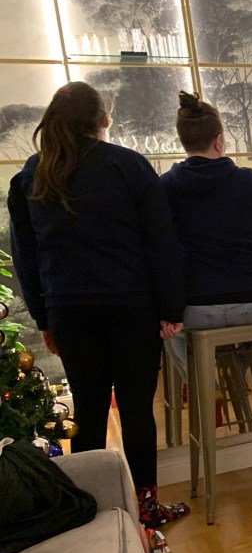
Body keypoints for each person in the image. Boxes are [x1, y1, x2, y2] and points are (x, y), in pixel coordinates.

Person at [6, 81, 188, 528]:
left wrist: (44, 318)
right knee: (136, 409)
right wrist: (171, 308)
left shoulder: (31, 176)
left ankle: (94, 512)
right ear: (102, 120)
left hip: (68, 310)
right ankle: (146, 507)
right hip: (131, 306)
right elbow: (161, 243)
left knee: (88, 409)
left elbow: (26, 259)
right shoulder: (129, 166)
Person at [160, 91, 252, 393]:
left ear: (183, 142)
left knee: (172, 333)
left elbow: (162, 243)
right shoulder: (247, 179)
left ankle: (205, 391)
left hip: (198, 308)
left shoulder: (166, 185)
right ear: (219, 141)